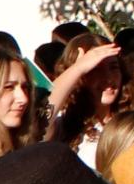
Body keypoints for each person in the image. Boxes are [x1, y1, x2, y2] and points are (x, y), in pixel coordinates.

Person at [47, 33, 125, 164]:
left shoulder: (133, 117)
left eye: (113, 67)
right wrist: (77, 69)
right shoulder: (62, 127)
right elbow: (42, 113)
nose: (108, 78)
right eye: (95, 69)